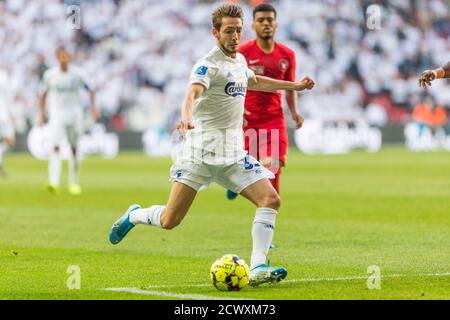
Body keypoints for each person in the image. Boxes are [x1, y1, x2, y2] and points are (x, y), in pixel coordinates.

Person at [109, 3, 314, 287]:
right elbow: (192, 93)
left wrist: (294, 87)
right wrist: (185, 117)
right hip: (201, 154)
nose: (234, 36)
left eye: (238, 31)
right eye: (229, 31)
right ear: (215, 32)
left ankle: (257, 267)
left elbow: (256, 82)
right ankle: (134, 215)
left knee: (271, 199)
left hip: (232, 155)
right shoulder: (208, 64)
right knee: (170, 220)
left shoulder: (240, 61)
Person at [227, 3, 303, 200]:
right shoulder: (243, 52)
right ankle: (236, 182)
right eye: (261, 20)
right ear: (253, 25)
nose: (266, 23)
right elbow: (233, 86)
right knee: (254, 167)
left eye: (270, 19)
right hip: (248, 120)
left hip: (274, 119)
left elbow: (288, 86)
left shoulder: (287, 55)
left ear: (276, 24)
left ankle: (268, 213)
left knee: (273, 166)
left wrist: (294, 112)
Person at [39, 46, 99, 195]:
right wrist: (41, 114)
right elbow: (43, 95)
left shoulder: (77, 74)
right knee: (55, 147)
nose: (64, 59)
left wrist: (93, 108)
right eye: (61, 56)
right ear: (57, 57)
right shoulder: (50, 75)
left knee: (74, 148)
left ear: (69, 57)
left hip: (74, 115)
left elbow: (90, 89)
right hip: (57, 115)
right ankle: (54, 182)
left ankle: (73, 182)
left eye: (66, 56)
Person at [0, 68, 15, 178]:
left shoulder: (3, 75)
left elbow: (8, 96)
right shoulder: (3, 76)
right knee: (9, 139)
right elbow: (8, 97)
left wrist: (11, 113)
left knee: (9, 140)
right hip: (3, 115)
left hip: (4, 113)